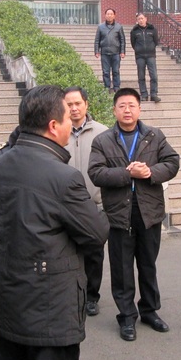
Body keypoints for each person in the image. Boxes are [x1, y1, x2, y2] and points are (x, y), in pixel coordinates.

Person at [0, 85, 109, 360]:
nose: (71, 123)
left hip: (5, 298)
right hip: (49, 307)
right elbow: (96, 233)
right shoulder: (62, 176)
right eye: (67, 118)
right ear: (53, 126)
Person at [88, 87, 180, 342]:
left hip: (149, 212)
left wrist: (149, 172)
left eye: (131, 105)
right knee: (122, 269)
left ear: (139, 109)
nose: (127, 110)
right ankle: (127, 316)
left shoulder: (154, 135)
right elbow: (96, 172)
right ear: (114, 110)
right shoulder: (103, 140)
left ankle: (150, 311)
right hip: (119, 214)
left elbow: (172, 162)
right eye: (122, 106)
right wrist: (127, 173)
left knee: (148, 265)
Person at [63, 86, 109, 316]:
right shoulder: (58, 132)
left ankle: (91, 296)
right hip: (66, 206)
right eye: (69, 104)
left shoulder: (102, 133)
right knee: (67, 253)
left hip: (95, 206)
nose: (73, 108)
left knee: (94, 255)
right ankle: (70, 295)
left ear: (86, 104)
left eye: (77, 103)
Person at [130, 13, 161, 102]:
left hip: (151, 56)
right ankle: (144, 94)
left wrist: (150, 48)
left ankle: (154, 94)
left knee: (154, 76)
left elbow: (156, 41)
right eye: (139, 19)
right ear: (137, 20)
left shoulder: (152, 29)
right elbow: (133, 43)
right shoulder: (134, 31)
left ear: (146, 19)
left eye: (142, 18)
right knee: (141, 76)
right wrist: (138, 49)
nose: (141, 20)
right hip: (140, 56)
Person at [94, 8, 126, 93]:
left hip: (116, 53)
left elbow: (122, 40)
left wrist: (122, 51)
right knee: (105, 71)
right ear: (105, 15)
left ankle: (116, 86)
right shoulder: (100, 27)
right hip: (105, 53)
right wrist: (96, 51)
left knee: (116, 71)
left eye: (111, 14)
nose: (109, 15)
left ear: (114, 15)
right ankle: (107, 86)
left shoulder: (118, 27)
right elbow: (97, 40)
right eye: (108, 14)